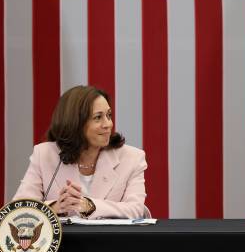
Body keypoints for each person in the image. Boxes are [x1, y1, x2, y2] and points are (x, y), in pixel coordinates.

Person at [14, 85, 149, 219]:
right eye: (98, 117)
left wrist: (89, 206)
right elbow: (18, 210)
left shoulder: (132, 158)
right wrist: (56, 207)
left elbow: (136, 210)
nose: (108, 124)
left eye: (109, 115)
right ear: (75, 123)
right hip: (63, 240)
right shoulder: (44, 154)